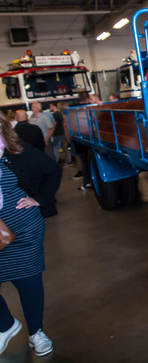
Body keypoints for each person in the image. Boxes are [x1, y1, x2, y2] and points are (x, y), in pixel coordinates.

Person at [0, 111, 62, 357]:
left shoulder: (18, 153)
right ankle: (6, 325)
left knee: (29, 282)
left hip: (25, 231)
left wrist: (39, 199)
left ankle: (36, 333)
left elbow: (53, 172)